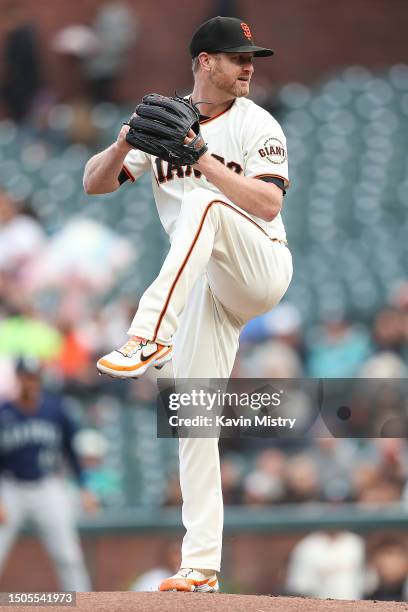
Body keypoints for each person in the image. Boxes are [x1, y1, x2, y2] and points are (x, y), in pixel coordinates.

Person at [83, 16, 292, 592]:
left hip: (258, 264)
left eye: (252, 56)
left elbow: (268, 204)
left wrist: (200, 157)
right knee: (193, 416)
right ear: (205, 62)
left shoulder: (257, 122)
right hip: (204, 284)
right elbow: (94, 183)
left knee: (202, 204)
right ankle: (200, 567)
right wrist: (126, 139)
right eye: (236, 56)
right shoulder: (165, 120)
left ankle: (147, 333)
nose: (249, 65)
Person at [0, 358, 99, 591]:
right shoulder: (3, 412)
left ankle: (81, 602)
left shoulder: (56, 410)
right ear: (18, 378)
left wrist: (84, 487)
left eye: (34, 378)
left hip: (47, 486)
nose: (30, 383)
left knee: (68, 554)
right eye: (26, 377)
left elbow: (71, 451)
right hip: (10, 488)